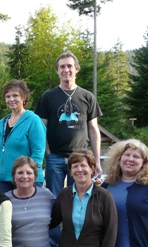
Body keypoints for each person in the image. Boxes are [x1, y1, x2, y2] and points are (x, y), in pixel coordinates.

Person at [35, 52, 103, 196]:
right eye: (62, 67)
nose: (66, 70)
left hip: (81, 158)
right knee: (53, 199)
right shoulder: (48, 97)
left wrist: (96, 160)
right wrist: (48, 154)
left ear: (76, 69)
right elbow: (41, 129)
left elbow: (93, 130)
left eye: (69, 66)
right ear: (57, 71)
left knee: (80, 197)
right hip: (55, 158)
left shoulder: (87, 97)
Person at [0, 80, 46, 193]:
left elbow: (38, 152)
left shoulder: (33, 120)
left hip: (26, 180)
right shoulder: (1, 123)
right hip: (3, 180)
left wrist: (30, 175)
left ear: (24, 97)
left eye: (15, 95)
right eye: (8, 96)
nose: (11, 99)